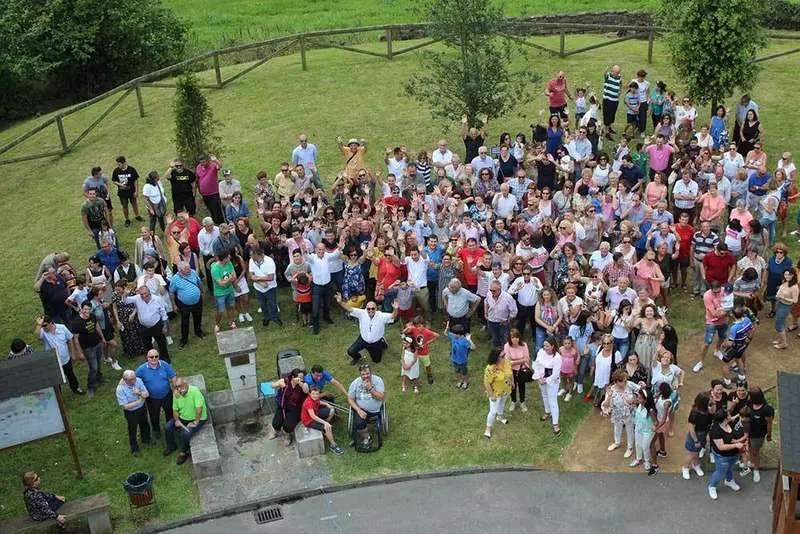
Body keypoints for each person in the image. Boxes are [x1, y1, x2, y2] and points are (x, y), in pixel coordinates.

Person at [335, 294, 398, 365]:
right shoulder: (361, 313)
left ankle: (382, 342)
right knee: (351, 351)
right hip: (363, 339)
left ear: (376, 308)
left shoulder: (381, 316)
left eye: (373, 308)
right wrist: (340, 302)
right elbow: (349, 308)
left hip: (375, 342)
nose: (370, 310)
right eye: (368, 309)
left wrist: (395, 309)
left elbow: (393, 316)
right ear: (366, 308)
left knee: (376, 360)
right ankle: (357, 358)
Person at [164, 376, 209, 465]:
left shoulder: (194, 391)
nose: (179, 389)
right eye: (176, 387)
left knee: (186, 433)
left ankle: (183, 453)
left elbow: (199, 408)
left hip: (198, 418)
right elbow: (175, 409)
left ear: (186, 384)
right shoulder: (176, 394)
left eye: (181, 386)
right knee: (168, 427)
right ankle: (171, 446)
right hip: (183, 417)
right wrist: (177, 420)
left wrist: (196, 422)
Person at [35, 315, 84, 395]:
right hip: (53, 361)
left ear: (51, 323)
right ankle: (58, 395)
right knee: (56, 379)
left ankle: (75, 388)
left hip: (65, 359)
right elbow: (37, 336)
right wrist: (38, 325)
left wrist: (72, 353)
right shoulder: (43, 331)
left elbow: (70, 339)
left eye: (45, 325)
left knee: (70, 374)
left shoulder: (62, 328)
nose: (43, 327)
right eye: (42, 326)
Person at [136, 349, 176, 440]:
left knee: (170, 412)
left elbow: (173, 376)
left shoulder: (164, 365)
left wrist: (176, 388)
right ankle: (156, 430)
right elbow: (134, 379)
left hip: (167, 395)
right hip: (152, 398)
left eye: (156, 356)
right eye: (151, 357)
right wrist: (139, 391)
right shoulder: (141, 369)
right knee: (154, 415)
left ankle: (170, 428)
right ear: (147, 358)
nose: (154, 358)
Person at [124, 285, 171, 363]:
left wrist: (165, 325)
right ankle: (151, 359)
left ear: (149, 292)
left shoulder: (157, 299)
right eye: (141, 294)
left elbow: (163, 313)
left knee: (161, 342)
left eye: (145, 293)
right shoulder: (137, 298)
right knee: (147, 344)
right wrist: (125, 294)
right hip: (143, 326)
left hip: (156, 325)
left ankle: (165, 358)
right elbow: (125, 301)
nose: (143, 296)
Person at [707, 408, 746, 500]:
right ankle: (712, 486)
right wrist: (736, 445)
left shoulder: (729, 423)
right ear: (724, 419)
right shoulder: (716, 431)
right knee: (720, 472)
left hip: (733, 454)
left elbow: (735, 418)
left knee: (730, 467)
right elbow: (721, 447)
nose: (730, 416)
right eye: (728, 415)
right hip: (722, 456)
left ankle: (729, 480)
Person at [70, 301, 106, 398]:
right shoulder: (76, 323)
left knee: (98, 363)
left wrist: (102, 338)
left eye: (89, 309)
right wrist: (80, 352)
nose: (87, 311)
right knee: (93, 367)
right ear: (81, 309)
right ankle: (90, 387)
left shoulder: (92, 316)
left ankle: (99, 377)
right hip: (88, 348)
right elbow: (76, 339)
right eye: (85, 309)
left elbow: (97, 326)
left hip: (97, 344)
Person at [346, 364, 385, 448]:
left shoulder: (378, 380)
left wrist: (370, 389)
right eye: (363, 374)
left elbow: (381, 397)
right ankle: (367, 437)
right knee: (359, 423)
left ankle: (365, 437)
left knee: (363, 421)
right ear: (360, 374)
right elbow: (350, 399)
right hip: (361, 409)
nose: (366, 376)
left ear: (371, 373)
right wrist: (358, 410)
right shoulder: (355, 383)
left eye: (367, 373)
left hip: (375, 411)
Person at [601, 369, 636, 459]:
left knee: (630, 430)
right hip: (617, 413)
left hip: (630, 413)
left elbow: (640, 391)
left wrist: (634, 400)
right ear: (616, 381)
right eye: (623, 381)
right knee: (617, 428)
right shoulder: (611, 390)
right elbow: (606, 405)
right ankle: (617, 443)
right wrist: (608, 396)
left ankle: (630, 447)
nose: (625, 382)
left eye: (625, 380)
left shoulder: (630, 384)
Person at [169, 261, 204, 349]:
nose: (189, 270)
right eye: (186, 269)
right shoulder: (175, 279)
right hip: (184, 304)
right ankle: (184, 340)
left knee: (198, 317)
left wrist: (201, 291)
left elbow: (199, 282)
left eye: (189, 268)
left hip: (197, 301)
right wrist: (174, 305)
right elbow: (172, 292)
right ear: (180, 270)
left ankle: (198, 332)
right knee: (185, 322)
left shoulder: (193, 272)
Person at [116, 369, 151, 456]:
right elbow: (125, 406)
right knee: (132, 429)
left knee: (144, 423)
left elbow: (147, 394)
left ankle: (146, 439)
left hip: (142, 408)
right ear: (125, 380)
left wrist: (139, 392)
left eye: (134, 378)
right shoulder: (120, 389)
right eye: (132, 379)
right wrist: (140, 400)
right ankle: (134, 448)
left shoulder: (138, 380)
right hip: (131, 412)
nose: (134, 380)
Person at [301, 386, 344, 455]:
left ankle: (325, 430)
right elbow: (313, 417)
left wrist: (327, 404)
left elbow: (319, 401)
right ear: (310, 394)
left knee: (332, 410)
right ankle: (333, 446)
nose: (315, 396)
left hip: (316, 414)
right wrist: (325, 423)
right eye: (313, 394)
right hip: (309, 421)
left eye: (317, 394)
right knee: (327, 427)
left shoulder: (315, 398)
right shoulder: (308, 403)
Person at [534, 336, 563, 435]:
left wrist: (545, 380)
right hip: (541, 378)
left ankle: (555, 424)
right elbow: (537, 364)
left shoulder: (557, 357)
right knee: (544, 396)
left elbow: (555, 374)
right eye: (544, 345)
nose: (544, 347)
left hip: (552, 381)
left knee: (553, 401)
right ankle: (547, 412)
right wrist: (538, 377)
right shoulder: (541, 352)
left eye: (547, 346)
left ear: (552, 346)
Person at [483, 348, 513, 439]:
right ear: (496, 357)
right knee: (493, 411)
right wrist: (491, 395)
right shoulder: (490, 368)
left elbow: (510, 373)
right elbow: (487, 383)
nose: (505, 357)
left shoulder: (507, 362)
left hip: (506, 389)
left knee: (502, 404)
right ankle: (488, 428)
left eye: (505, 355)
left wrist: (512, 382)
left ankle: (500, 417)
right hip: (495, 392)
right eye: (502, 356)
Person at [249, 247, 282, 327]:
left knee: (272, 303)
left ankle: (275, 317)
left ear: (258, 255)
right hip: (258, 288)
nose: (251, 258)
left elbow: (271, 277)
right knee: (262, 304)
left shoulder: (270, 261)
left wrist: (257, 278)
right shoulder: (251, 261)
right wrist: (260, 282)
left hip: (270, 288)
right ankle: (266, 318)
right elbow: (251, 275)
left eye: (252, 256)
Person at [747, 387, 774, 484]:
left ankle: (756, 469)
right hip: (748, 432)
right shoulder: (750, 403)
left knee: (755, 452)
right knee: (749, 447)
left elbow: (769, 423)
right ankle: (751, 461)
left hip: (758, 435)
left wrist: (769, 435)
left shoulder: (767, 409)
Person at [210, 251, 238, 333]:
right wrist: (230, 279)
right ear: (223, 259)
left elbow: (234, 276)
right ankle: (217, 324)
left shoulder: (229, 263)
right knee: (221, 311)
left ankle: (231, 322)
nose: (229, 258)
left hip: (230, 290)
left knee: (231, 307)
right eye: (228, 257)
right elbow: (221, 283)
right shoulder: (215, 269)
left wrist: (229, 280)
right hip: (220, 293)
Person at [484, 280, 517, 347]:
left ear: (500, 289)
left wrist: (508, 320)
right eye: (491, 290)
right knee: (495, 338)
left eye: (494, 291)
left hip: (503, 323)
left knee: (505, 340)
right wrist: (485, 313)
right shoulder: (489, 294)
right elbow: (486, 302)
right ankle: (497, 352)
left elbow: (514, 311)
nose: (492, 292)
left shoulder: (508, 298)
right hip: (491, 321)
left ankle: (507, 353)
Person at [111, 155, 143, 226]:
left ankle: (137, 216)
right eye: (117, 164)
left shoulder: (131, 169)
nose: (118, 165)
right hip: (122, 193)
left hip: (131, 191)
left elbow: (136, 180)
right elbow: (114, 180)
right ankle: (127, 219)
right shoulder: (116, 171)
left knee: (134, 204)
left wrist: (136, 191)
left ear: (124, 163)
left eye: (119, 164)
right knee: (124, 206)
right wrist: (120, 184)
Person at [773, 268, 799, 350]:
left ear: (793, 275)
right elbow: (780, 292)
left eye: (789, 274)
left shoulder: (795, 287)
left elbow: (795, 300)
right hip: (779, 303)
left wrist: (784, 298)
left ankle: (784, 343)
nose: (787, 276)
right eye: (785, 274)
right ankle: (780, 339)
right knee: (779, 322)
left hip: (785, 307)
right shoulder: (784, 282)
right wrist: (779, 295)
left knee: (779, 325)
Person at [195, 154, 225, 224]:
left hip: (214, 193)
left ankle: (221, 223)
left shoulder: (213, 165)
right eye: (201, 162)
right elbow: (198, 178)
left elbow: (219, 166)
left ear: (208, 161)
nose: (203, 164)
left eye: (204, 162)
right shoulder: (198, 167)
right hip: (204, 194)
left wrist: (216, 160)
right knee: (211, 209)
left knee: (217, 209)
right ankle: (215, 222)